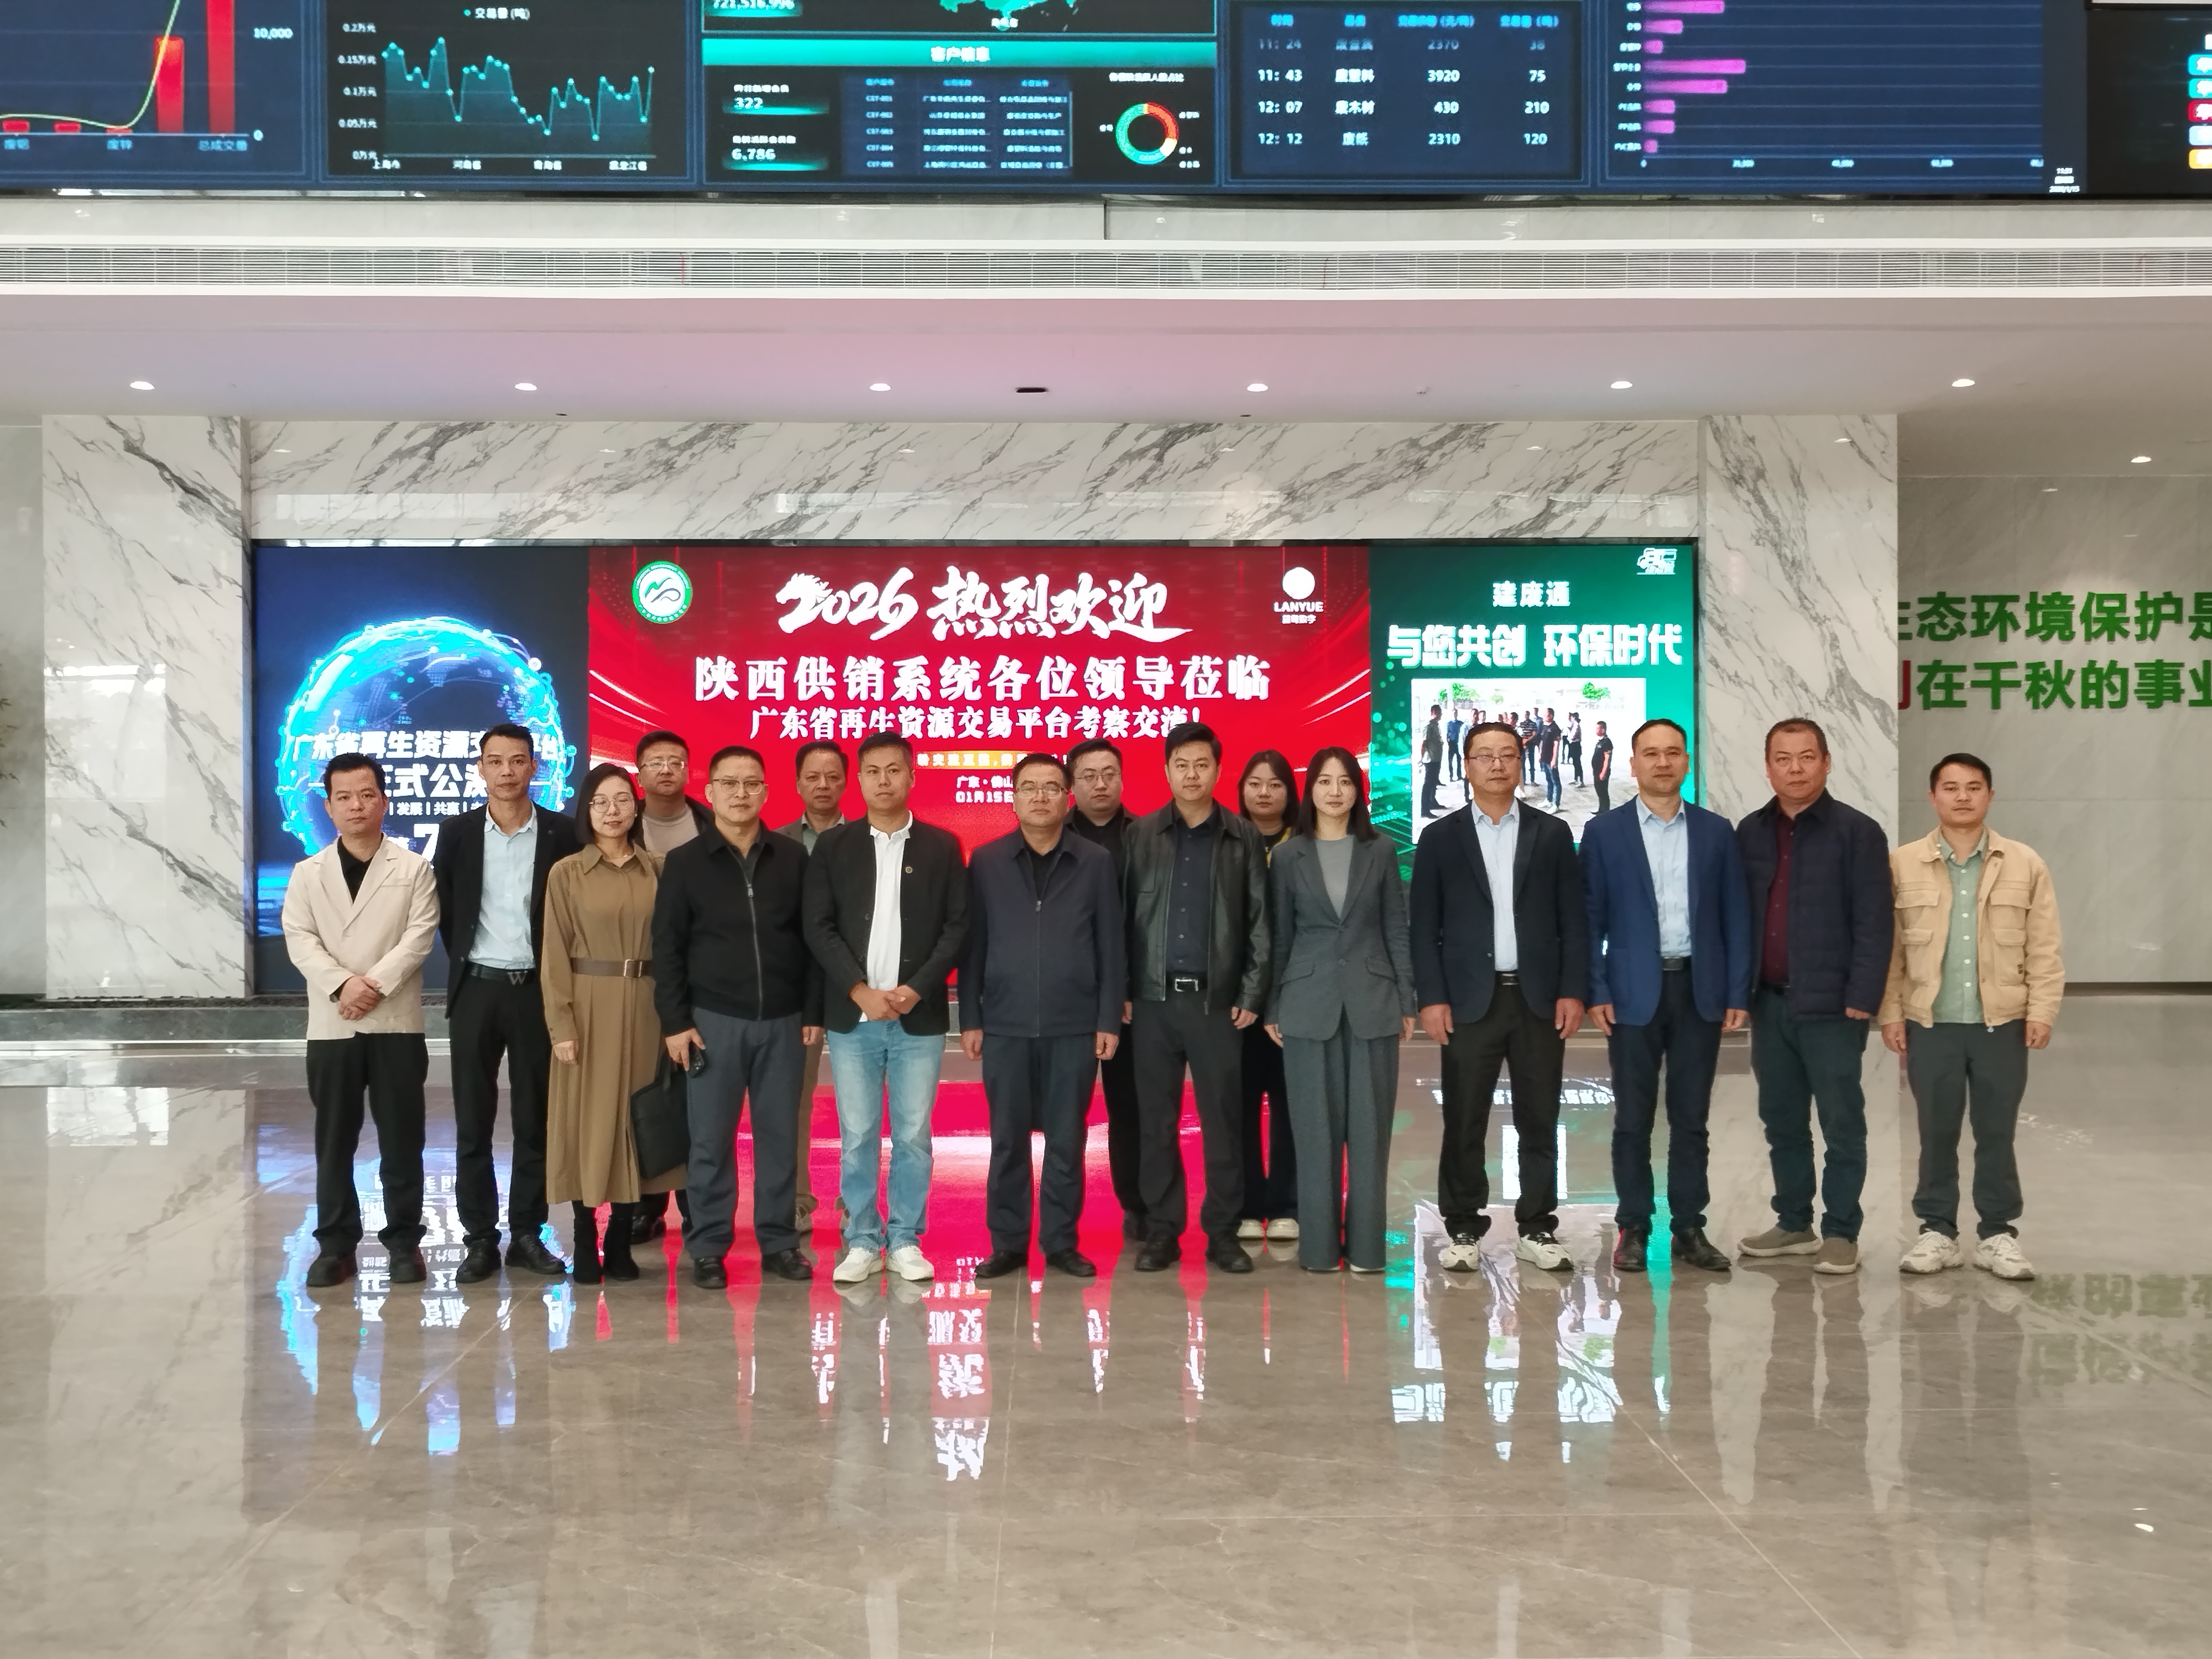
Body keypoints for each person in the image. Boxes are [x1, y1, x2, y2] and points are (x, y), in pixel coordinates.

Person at [1411, 722, 1588, 1275]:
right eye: (1484, 755)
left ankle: (1537, 1227)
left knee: (1540, 1118)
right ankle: (1463, 1227)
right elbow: (1424, 927)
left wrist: (1572, 990)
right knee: (1464, 1119)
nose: (1496, 765)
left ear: (1519, 763)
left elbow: (1573, 920)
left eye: (1507, 755)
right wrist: (1431, 997)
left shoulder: (1551, 833)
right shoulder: (1440, 838)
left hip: (1538, 1000)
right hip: (1468, 1002)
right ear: (1465, 765)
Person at [1879, 754, 2062, 1283]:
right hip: (1930, 1023)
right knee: (1935, 1131)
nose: (1962, 797)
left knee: (1996, 1131)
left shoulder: (2025, 863)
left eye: (1974, 787)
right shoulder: (1902, 864)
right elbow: (1891, 950)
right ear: (1932, 796)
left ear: (1990, 795)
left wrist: (2042, 1010)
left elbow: (2045, 945)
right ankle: (1936, 1231)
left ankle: (1997, 1234)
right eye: (1951, 787)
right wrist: (1891, 1013)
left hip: (2001, 1024)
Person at [1580, 718, 1752, 1276]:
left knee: (1691, 1118)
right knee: (1632, 1118)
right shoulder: (1604, 833)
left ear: (1686, 762)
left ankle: (1689, 1227)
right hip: (1631, 993)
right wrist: (1596, 987)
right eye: (1650, 754)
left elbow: (1735, 915)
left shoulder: (1715, 831)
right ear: (1632, 764)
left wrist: (1735, 989)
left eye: (1672, 753)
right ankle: (1633, 1225)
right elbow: (1589, 919)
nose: (1662, 762)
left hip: (1699, 990)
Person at [653, 745, 821, 1288]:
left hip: (784, 1022)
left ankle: (779, 1243)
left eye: (751, 784)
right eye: (729, 783)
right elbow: (668, 948)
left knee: (779, 1137)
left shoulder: (792, 858)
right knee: (709, 1141)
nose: (741, 794)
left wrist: (813, 1009)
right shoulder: (686, 863)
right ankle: (708, 1247)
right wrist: (675, 1022)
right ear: (710, 792)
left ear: (767, 792)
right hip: (712, 1022)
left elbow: (812, 942)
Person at [805, 732, 970, 1286]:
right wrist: (858, 990)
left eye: (894, 770)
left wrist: (918, 988)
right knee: (856, 1136)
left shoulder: (941, 846)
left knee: (913, 1135)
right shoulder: (835, 846)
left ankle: (904, 1239)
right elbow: (818, 926)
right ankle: (861, 1239)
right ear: (859, 780)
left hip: (917, 1018)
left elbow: (956, 927)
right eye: (873, 771)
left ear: (912, 776)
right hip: (854, 1017)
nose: (883, 780)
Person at [1734, 719, 1895, 1276]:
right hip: (1768, 1002)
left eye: (1807, 757)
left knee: (1841, 1122)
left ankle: (1841, 1231)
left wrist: (1863, 995)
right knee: (1781, 1119)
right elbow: (1740, 917)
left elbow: (1875, 921)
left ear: (1826, 763)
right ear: (1768, 767)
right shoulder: (1751, 831)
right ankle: (1794, 1223)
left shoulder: (1858, 832)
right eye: (1783, 758)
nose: (1795, 769)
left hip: (1833, 1008)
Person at [960, 754, 1125, 1282]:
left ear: (1066, 796)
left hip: (1073, 1024)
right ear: (1013, 798)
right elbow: (974, 945)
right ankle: (1008, 1243)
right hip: (1004, 1023)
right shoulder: (987, 862)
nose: (1040, 796)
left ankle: (1060, 1243)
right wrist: (971, 1017)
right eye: (1029, 787)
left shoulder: (1095, 861)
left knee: (1066, 1139)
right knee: (1007, 1139)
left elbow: (1111, 944)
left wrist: (1107, 1018)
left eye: (1051, 787)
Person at [283, 754, 440, 1290]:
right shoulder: (307, 874)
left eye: (367, 794)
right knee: (334, 1140)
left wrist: (370, 985)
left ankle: (403, 1243)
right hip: (333, 1024)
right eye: (344, 797)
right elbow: (300, 938)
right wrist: (342, 985)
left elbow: (419, 937)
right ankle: (335, 1245)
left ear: (384, 801)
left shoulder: (414, 869)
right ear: (328, 807)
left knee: (402, 1140)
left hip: (395, 1022)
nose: (357, 805)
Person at [433, 723, 582, 1285]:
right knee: (473, 1120)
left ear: (533, 766)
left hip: (536, 991)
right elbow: (449, 910)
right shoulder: (457, 833)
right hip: (477, 987)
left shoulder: (564, 833)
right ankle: (478, 1237)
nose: (506, 772)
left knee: (534, 1119)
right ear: (480, 768)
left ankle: (526, 1233)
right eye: (495, 761)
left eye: (517, 760)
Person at [1123, 721, 1272, 1276]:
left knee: (1224, 1120)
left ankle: (1223, 1232)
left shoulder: (1242, 837)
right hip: (1153, 1003)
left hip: (1218, 1005)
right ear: (1166, 770)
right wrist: (1123, 990)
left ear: (1217, 770)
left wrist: (1252, 991)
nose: (1191, 775)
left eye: (1201, 765)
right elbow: (1121, 918)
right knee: (1155, 1122)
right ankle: (1163, 1230)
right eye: (1181, 765)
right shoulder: (1140, 835)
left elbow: (1260, 921)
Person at [1265, 748, 1416, 1274]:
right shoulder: (1289, 856)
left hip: (1373, 1000)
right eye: (1325, 782)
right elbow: (1280, 936)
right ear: (1310, 791)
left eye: (1345, 782)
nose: (1335, 792)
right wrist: (1273, 1004)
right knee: (1314, 1131)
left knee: (1370, 1132)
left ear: (1358, 790)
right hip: (1307, 1002)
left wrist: (1406, 999)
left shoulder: (1381, 850)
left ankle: (1368, 1249)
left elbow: (1396, 927)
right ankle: (1319, 1249)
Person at [541, 764, 683, 1285]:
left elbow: (676, 948)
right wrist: (561, 1025)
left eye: (622, 799)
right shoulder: (567, 873)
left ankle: (621, 1240)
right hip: (588, 1004)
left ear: (637, 806)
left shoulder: (659, 870)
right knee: (589, 1122)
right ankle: (584, 1238)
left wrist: (677, 1017)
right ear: (586, 810)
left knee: (636, 1121)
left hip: (648, 1004)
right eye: (600, 801)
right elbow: (554, 953)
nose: (612, 811)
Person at [628, 729, 707, 1245]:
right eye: (655, 761)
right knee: (647, 1091)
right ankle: (647, 1205)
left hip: (702, 976)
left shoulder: (712, 822)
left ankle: (698, 1206)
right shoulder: (619, 820)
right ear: (639, 772)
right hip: (637, 975)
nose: (665, 770)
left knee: (698, 1094)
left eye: (675, 761)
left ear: (688, 770)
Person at [1066, 737, 1145, 1237]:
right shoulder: (1051, 834)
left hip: (1132, 1001)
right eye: (1089, 776)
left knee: (1130, 1107)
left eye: (1109, 774)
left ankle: (1137, 1205)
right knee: (1064, 1112)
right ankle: (1061, 1218)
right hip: (1069, 998)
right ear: (1071, 785)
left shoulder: (1146, 836)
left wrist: (1128, 988)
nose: (1100, 784)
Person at [775, 740, 854, 1229]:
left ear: (847, 782)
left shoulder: (868, 839)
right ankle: (797, 1199)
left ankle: (854, 1202)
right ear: (798, 783)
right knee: (792, 1098)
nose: (823, 785)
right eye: (813, 777)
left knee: (857, 1102)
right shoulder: (776, 842)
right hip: (794, 989)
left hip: (854, 986)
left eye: (832, 776)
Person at [1234, 749, 1301, 1244]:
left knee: (1289, 1106)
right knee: (1237, 1105)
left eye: (1275, 784)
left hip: (1293, 994)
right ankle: (1245, 1205)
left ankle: (1286, 1205)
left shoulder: (1306, 842)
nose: (1264, 792)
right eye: (1255, 783)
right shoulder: (1227, 840)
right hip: (1236, 998)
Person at [634, 728, 713, 858]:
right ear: (639, 779)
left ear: (689, 775)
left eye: (676, 763)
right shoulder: (623, 825)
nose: (666, 771)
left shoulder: (714, 825)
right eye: (655, 764)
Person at [1418, 704, 1444, 819]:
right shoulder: (1428, 727)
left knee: (1434, 783)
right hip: (1430, 759)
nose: (1441, 715)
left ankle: (1433, 803)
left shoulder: (1436, 726)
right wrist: (1421, 759)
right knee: (1428, 785)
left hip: (1436, 758)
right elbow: (1423, 744)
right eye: (1440, 712)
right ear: (1434, 713)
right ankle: (1425, 810)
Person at [1538, 707, 1564, 811]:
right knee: (1549, 780)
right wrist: (1540, 754)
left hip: (1551, 759)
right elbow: (1542, 742)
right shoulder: (1544, 726)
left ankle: (1556, 804)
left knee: (1555, 781)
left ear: (1551, 716)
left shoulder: (1555, 729)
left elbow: (1556, 745)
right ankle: (1549, 800)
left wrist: (1554, 760)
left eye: (1546, 714)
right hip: (1544, 758)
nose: (1544, 716)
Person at [1591, 721, 1614, 815]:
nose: (1597, 730)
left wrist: (1604, 772)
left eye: (1598, 728)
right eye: (1596, 728)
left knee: (1603, 792)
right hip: (1597, 771)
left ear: (1603, 729)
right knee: (1599, 790)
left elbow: (1607, 759)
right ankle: (1601, 810)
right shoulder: (1600, 742)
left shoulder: (1607, 743)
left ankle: (1606, 812)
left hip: (1602, 771)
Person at [1444, 703, 1467, 784]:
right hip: (1451, 744)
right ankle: (1451, 776)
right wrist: (1447, 743)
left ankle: (1459, 776)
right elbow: (1447, 733)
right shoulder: (1449, 723)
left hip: (1458, 744)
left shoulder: (1460, 723)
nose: (1454, 715)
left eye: (1455, 713)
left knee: (1459, 761)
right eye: (1453, 713)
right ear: (1452, 714)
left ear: (1457, 714)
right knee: (1450, 761)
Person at [1564, 712, 1584, 787]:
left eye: (1572, 717)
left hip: (1576, 745)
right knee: (1575, 763)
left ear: (1574, 718)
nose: (1571, 719)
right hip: (1573, 745)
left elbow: (1572, 736)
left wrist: (1569, 736)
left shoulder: (1577, 726)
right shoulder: (1574, 725)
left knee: (1578, 764)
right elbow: (1569, 726)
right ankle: (1576, 780)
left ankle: (1581, 781)